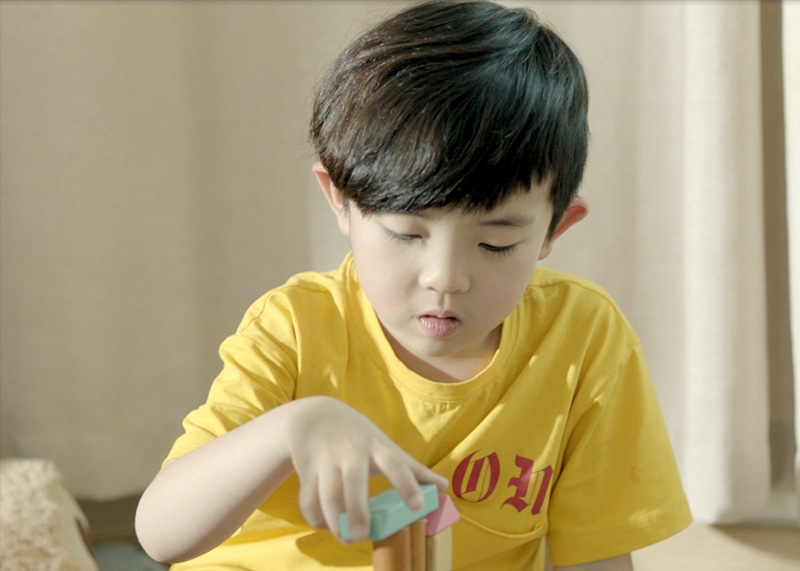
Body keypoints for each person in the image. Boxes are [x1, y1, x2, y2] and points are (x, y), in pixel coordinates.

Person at [135, 1, 692, 569]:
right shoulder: (295, 327)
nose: (445, 278)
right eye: (406, 233)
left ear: (555, 228)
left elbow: (598, 556)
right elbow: (160, 534)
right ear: (340, 201)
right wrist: (292, 428)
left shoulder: (582, 338)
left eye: (496, 243)